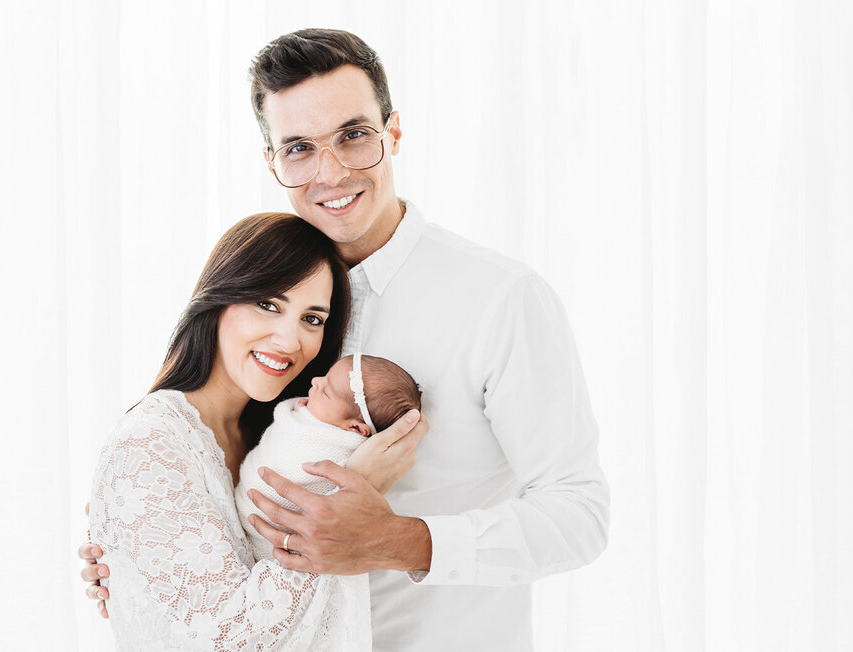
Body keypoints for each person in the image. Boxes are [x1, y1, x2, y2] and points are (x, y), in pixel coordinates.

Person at [81, 29, 609, 650]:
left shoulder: (501, 298)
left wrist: (398, 539)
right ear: (273, 162)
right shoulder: (261, 303)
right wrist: (148, 559)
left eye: (354, 136)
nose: (329, 172)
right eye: (299, 148)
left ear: (394, 134)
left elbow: (580, 515)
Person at [87, 212, 424, 650]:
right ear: (220, 298)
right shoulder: (150, 444)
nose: (289, 341)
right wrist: (352, 496)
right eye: (268, 304)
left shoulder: (283, 434)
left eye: (313, 319)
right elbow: (230, 640)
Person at [235, 352, 423, 561]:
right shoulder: (315, 416)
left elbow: (321, 490)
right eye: (324, 377)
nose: (315, 381)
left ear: (355, 428)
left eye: (326, 392)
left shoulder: (340, 452)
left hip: (268, 537)